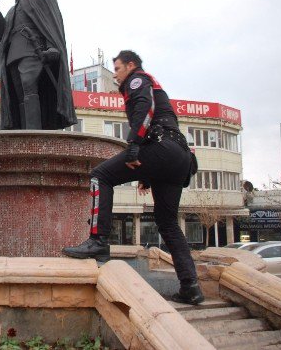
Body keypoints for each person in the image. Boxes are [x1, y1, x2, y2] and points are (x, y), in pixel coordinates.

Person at [62, 50, 203, 305]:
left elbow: (145, 108)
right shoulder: (149, 82)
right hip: (179, 156)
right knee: (168, 223)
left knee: (99, 176)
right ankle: (190, 286)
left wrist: (134, 144)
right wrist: (147, 174)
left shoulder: (138, 79)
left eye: (117, 69)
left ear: (130, 65)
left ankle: (98, 241)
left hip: (160, 146)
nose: (115, 74)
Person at [0, 0, 76, 130]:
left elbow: (52, 22)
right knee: (20, 95)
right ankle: (23, 129)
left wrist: (52, 46)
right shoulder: (13, 8)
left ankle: (33, 131)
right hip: (13, 55)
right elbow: (4, 31)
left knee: (30, 90)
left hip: (33, 51)